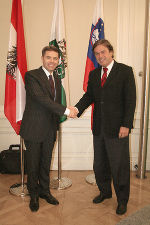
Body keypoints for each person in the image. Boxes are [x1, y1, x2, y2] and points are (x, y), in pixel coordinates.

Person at [73, 39, 136, 215]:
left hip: (118, 129)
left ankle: (122, 200)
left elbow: (130, 101)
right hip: (99, 128)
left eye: (103, 52)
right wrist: (76, 109)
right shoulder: (94, 74)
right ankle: (105, 192)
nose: (100, 56)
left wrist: (126, 124)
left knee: (119, 166)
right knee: (100, 164)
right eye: (97, 53)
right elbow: (89, 96)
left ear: (111, 52)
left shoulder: (125, 71)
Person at [20, 45, 74, 212]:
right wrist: (66, 111)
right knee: (33, 164)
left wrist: (66, 110)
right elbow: (41, 98)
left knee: (45, 163)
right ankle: (34, 195)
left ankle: (45, 191)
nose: (52, 61)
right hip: (34, 129)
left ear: (58, 61)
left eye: (55, 58)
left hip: (50, 129)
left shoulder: (57, 79)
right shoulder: (31, 76)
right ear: (42, 58)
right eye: (48, 57)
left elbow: (55, 103)